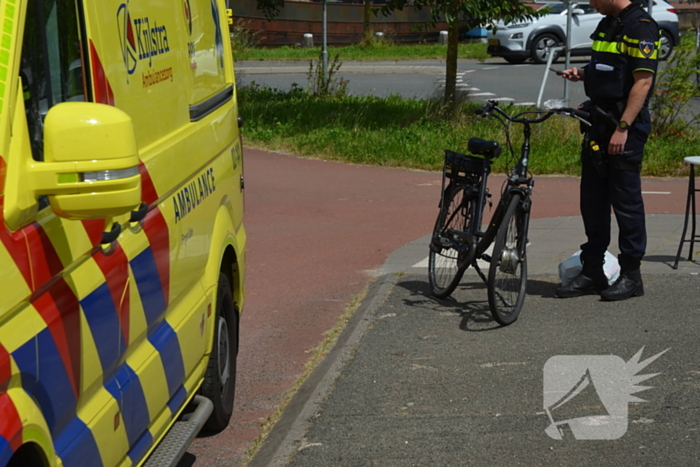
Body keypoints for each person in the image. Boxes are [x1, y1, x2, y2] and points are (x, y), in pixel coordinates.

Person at [555, 0, 659, 301]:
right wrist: (584, 74)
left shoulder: (641, 27)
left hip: (622, 126)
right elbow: (609, 68)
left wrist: (623, 129)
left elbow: (643, 82)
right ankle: (592, 270)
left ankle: (631, 276)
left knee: (625, 202)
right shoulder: (607, 23)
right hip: (598, 123)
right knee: (593, 199)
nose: (589, 2)